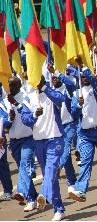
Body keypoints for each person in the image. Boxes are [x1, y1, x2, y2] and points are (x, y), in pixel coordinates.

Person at [19, 76, 65, 221]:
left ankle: (43, 195)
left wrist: (45, 87)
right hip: (39, 141)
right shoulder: (30, 97)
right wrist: (34, 115)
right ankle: (59, 209)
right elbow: (25, 119)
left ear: (44, 81)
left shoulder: (51, 93)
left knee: (51, 169)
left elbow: (61, 99)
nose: (38, 84)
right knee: (49, 176)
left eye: (41, 81)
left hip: (55, 138)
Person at [69, 57, 97, 203]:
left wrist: (85, 68)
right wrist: (78, 106)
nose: (85, 78)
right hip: (85, 133)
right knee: (86, 161)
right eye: (82, 76)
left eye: (86, 76)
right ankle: (81, 190)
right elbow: (73, 115)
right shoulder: (77, 94)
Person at [2, 77, 38, 211]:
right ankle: (32, 198)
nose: (11, 88)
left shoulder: (27, 98)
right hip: (14, 141)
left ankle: (22, 192)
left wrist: (16, 103)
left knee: (24, 165)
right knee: (24, 170)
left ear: (19, 85)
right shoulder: (3, 103)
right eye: (9, 85)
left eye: (14, 85)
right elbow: (3, 124)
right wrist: (9, 120)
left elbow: (32, 115)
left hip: (28, 138)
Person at [47, 64, 78, 194]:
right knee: (67, 157)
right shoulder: (51, 92)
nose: (55, 78)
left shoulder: (67, 89)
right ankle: (72, 181)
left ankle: (58, 166)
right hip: (57, 128)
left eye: (57, 77)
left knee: (64, 152)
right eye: (53, 77)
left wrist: (57, 72)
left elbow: (71, 83)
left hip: (69, 125)